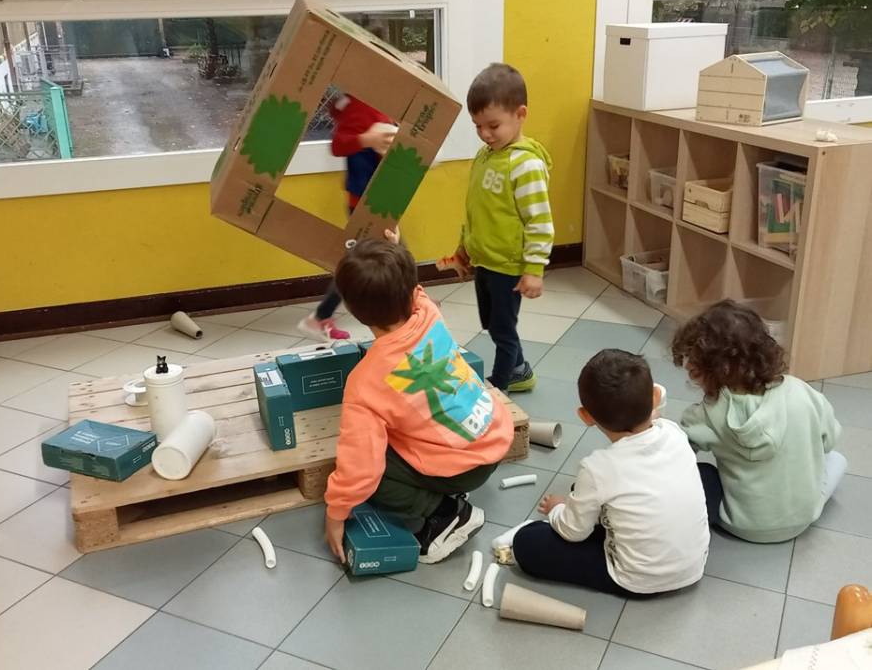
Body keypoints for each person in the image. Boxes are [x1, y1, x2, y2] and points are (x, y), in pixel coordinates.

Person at [323, 239, 513, 564]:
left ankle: (446, 516)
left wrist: (335, 513)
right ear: (412, 290)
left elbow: (360, 468)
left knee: (370, 470)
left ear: (353, 311)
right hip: (492, 435)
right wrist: (397, 246)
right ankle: (446, 488)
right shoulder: (427, 311)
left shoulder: (365, 382)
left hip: (463, 466)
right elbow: (414, 288)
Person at [512, 349, 710, 597]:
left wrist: (556, 509)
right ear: (655, 396)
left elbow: (573, 532)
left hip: (636, 580)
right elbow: (658, 401)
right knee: (706, 475)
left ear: (585, 417)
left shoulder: (597, 468)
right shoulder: (673, 432)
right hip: (694, 566)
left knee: (527, 541)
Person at [673, 300, 847, 543]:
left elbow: (678, 456)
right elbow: (829, 441)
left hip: (739, 522)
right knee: (836, 459)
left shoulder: (704, 415)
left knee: (706, 474)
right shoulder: (802, 392)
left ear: (706, 371)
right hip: (803, 518)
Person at [447, 63, 555, 393]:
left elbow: (539, 222)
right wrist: (464, 247)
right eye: (478, 126)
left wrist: (534, 269)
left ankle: (500, 387)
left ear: (520, 114)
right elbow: (477, 210)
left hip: (508, 265)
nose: (485, 134)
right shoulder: (486, 156)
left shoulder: (526, 165)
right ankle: (520, 369)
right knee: (492, 324)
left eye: (493, 125)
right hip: (485, 258)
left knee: (503, 332)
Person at [297, 93, 395, 342]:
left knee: (380, 257)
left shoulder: (379, 103)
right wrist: (367, 139)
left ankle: (322, 317)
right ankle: (320, 317)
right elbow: (338, 144)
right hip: (363, 201)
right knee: (375, 260)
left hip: (378, 197)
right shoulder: (360, 105)